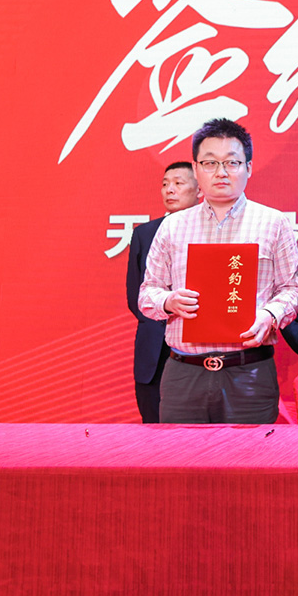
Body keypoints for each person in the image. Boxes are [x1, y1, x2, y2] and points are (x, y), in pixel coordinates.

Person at [139, 118, 298, 423]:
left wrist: (269, 315)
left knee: (252, 453)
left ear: (249, 167)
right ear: (196, 168)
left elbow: (292, 290)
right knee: (179, 453)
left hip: (249, 371)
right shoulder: (173, 226)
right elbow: (148, 293)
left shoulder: (274, 223)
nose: (221, 172)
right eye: (210, 162)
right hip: (184, 374)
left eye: (232, 162)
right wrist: (169, 301)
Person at [125, 161, 200, 423]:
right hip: (153, 350)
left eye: (178, 183)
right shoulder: (145, 234)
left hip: (198, 348)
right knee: (154, 426)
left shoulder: (213, 231)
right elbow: (136, 294)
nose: (170, 189)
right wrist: (165, 310)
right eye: (165, 184)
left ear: (199, 189)